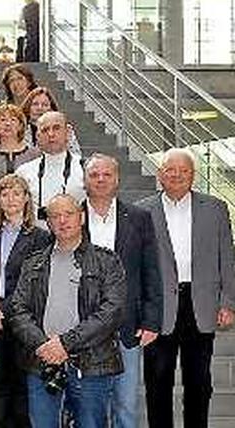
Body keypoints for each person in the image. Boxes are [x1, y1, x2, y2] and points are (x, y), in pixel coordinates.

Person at [7, 194, 126, 428]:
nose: (62, 220)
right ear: (48, 223)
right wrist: (42, 344)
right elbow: (18, 310)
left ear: (81, 217)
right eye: (55, 216)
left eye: (68, 214)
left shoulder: (106, 261)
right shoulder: (34, 262)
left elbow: (111, 311)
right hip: (41, 362)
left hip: (92, 363)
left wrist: (65, 343)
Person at [137, 148, 235, 428]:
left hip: (201, 305)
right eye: (170, 169)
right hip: (158, 308)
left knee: (199, 384)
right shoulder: (142, 210)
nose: (177, 175)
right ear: (160, 174)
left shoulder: (216, 208)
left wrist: (227, 302)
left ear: (193, 175)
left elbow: (226, 257)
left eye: (184, 170)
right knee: (157, 383)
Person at [81, 154, 162, 428]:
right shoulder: (72, 217)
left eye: (106, 174)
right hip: (84, 327)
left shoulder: (139, 218)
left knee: (126, 405)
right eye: (94, 175)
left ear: (117, 179)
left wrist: (151, 320)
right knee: (89, 408)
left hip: (128, 325)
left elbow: (151, 270)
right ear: (84, 180)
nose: (101, 179)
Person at [0, 174, 51, 428]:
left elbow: (33, 283)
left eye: (16, 193)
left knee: (21, 385)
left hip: (24, 321)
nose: (10, 199)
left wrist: (3, 309)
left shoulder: (41, 237)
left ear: (26, 199)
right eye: (4, 193)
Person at [14, 111, 85, 224]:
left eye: (56, 128)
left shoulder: (85, 168)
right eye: (45, 130)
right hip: (36, 238)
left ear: (67, 132)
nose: (51, 134)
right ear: (37, 137)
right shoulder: (23, 172)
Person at [22, 87, 81, 155]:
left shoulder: (66, 130)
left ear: (51, 109)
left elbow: (76, 154)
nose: (40, 108)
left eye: (45, 105)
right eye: (35, 104)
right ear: (28, 107)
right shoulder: (20, 129)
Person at [0, 103, 40, 177]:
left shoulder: (34, 154)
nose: (8, 124)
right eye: (3, 120)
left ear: (20, 126)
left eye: (13, 120)